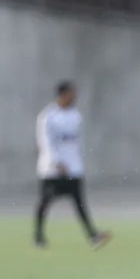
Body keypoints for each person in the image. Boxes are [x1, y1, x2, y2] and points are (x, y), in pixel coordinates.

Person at [34, 80, 110, 249]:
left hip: (73, 168)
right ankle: (38, 236)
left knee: (80, 203)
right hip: (52, 170)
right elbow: (46, 142)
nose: (74, 96)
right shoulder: (48, 116)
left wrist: (76, 163)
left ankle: (92, 236)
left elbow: (77, 143)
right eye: (71, 93)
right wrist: (57, 162)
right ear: (62, 94)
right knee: (45, 202)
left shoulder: (75, 115)